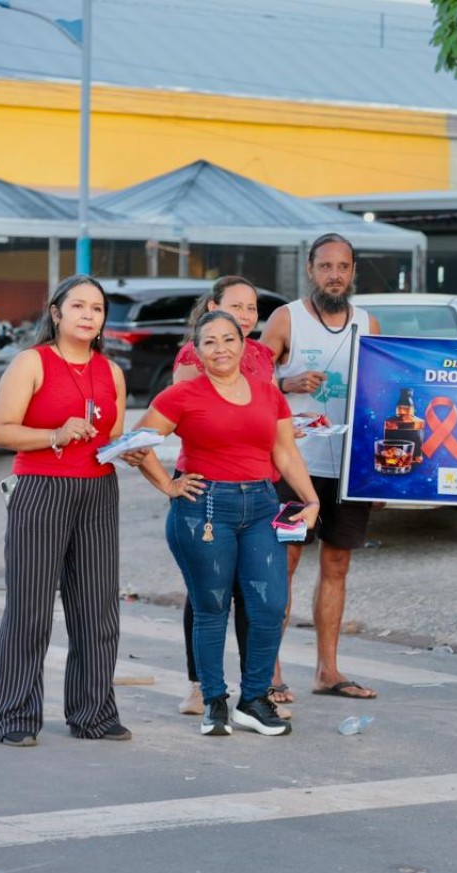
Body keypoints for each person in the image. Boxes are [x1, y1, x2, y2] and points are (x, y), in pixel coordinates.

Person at [133, 310, 321, 736]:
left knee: (270, 605)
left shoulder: (268, 393)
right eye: (210, 342)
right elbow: (136, 445)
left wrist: (310, 500)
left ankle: (253, 700)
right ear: (197, 352)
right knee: (212, 607)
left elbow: (286, 454)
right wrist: (168, 485)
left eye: (228, 339)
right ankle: (214, 700)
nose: (220, 349)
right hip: (205, 509)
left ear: (244, 343)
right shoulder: (181, 395)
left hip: (260, 505)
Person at [0, 275, 131, 746]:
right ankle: (12, 716)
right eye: (79, 307)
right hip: (41, 489)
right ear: (56, 312)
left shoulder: (111, 372)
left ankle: (94, 714)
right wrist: (53, 435)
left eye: (97, 309)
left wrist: (129, 449)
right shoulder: (32, 362)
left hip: (98, 492)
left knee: (98, 610)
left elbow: (111, 437)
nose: (89, 316)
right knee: (30, 611)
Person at [259, 233, 381, 700]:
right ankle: (268, 673)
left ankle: (327, 671)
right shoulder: (286, 318)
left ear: (353, 273)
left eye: (343, 267)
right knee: (283, 565)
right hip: (295, 466)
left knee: (337, 563)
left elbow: (387, 384)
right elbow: (248, 377)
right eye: (326, 266)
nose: (335, 275)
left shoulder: (369, 323)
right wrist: (286, 383)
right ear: (310, 270)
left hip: (349, 466)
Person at [167, 277, 280, 716]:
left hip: (260, 483)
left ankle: (257, 691)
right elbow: (183, 410)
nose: (247, 315)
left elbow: (267, 411)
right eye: (237, 306)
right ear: (213, 306)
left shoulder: (263, 355)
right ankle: (201, 686)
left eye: (253, 308)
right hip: (206, 485)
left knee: (257, 594)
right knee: (209, 594)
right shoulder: (192, 355)